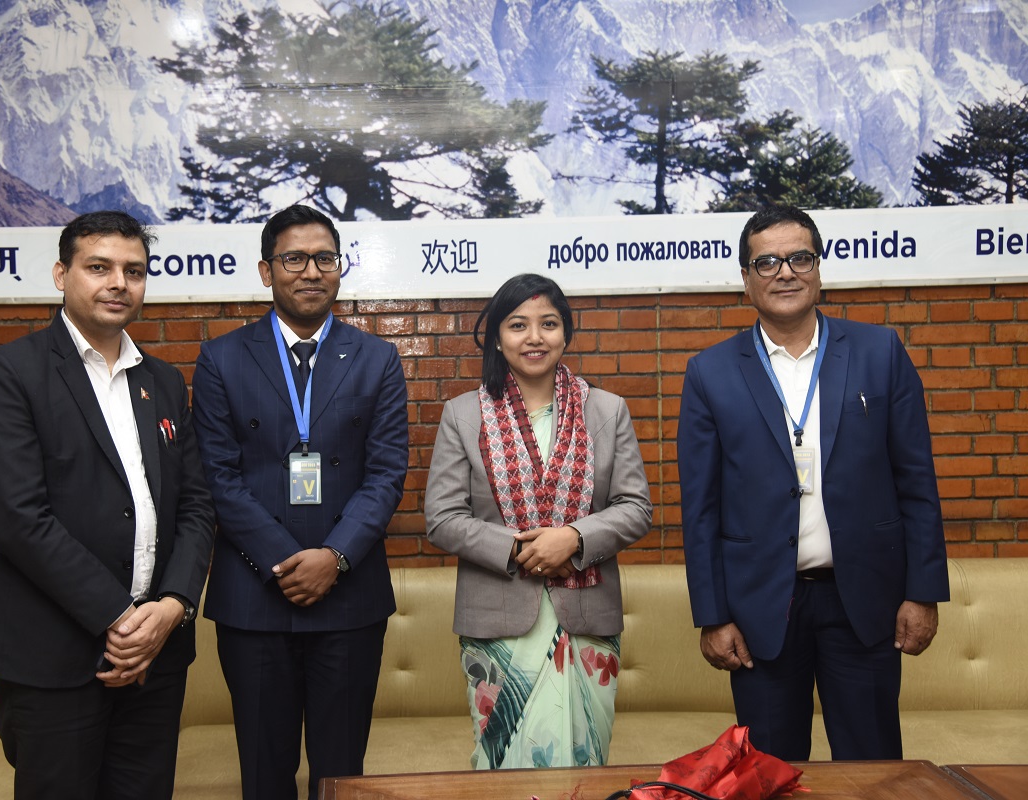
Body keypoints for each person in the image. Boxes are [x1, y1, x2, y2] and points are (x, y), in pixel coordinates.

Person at [677, 204, 950, 761]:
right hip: (760, 610)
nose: (785, 272)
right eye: (768, 262)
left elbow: (917, 482)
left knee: (873, 770)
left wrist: (923, 592)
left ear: (819, 268)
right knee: (769, 773)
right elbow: (700, 508)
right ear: (746, 279)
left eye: (800, 258)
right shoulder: (710, 372)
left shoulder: (880, 352)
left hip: (865, 602)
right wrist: (713, 615)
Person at [0, 210, 216, 799]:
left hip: (157, 654)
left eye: (134, 271)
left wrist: (173, 606)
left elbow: (197, 506)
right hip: (55, 658)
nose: (118, 283)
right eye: (99, 267)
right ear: (62, 274)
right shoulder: (11, 372)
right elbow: (19, 519)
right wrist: (121, 618)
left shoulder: (163, 381)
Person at [191, 204, 409, 800]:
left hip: (349, 598)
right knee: (264, 773)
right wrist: (287, 562)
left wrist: (333, 558)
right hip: (254, 598)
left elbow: (386, 474)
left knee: (341, 775)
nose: (311, 271)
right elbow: (217, 477)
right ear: (267, 271)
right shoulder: (221, 358)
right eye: (294, 259)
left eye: (324, 258)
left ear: (339, 269)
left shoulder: (377, 359)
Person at [424, 273, 653, 770]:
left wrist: (573, 538)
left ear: (565, 333)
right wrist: (519, 548)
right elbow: (442, 518)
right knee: (503, 772)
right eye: (517, 325)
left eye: (548, 324)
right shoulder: (463, 415)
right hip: (498, 623)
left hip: (586, 620)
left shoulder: (607, 411)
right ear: (497, 338)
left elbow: (636, 507)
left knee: (584, 769)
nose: (534, 337)